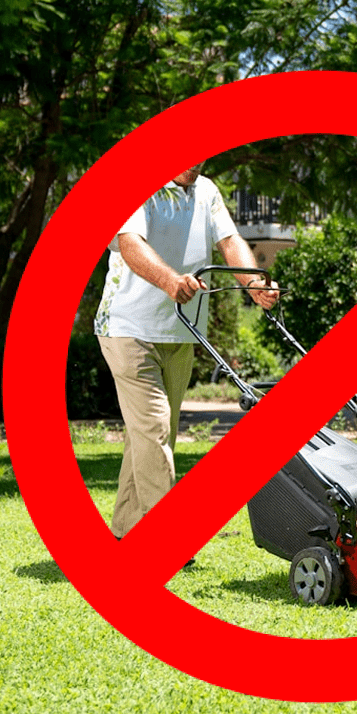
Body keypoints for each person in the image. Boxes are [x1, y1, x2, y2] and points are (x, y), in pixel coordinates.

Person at [94, 164, 278, 555]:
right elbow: (129, 243)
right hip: (127, 329)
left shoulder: (207, 191)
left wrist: (255, 284)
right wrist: (170, 281)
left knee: (151, 437)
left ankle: (126, 531)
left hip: (179, 333)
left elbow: (230, 241)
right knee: (155, 428)